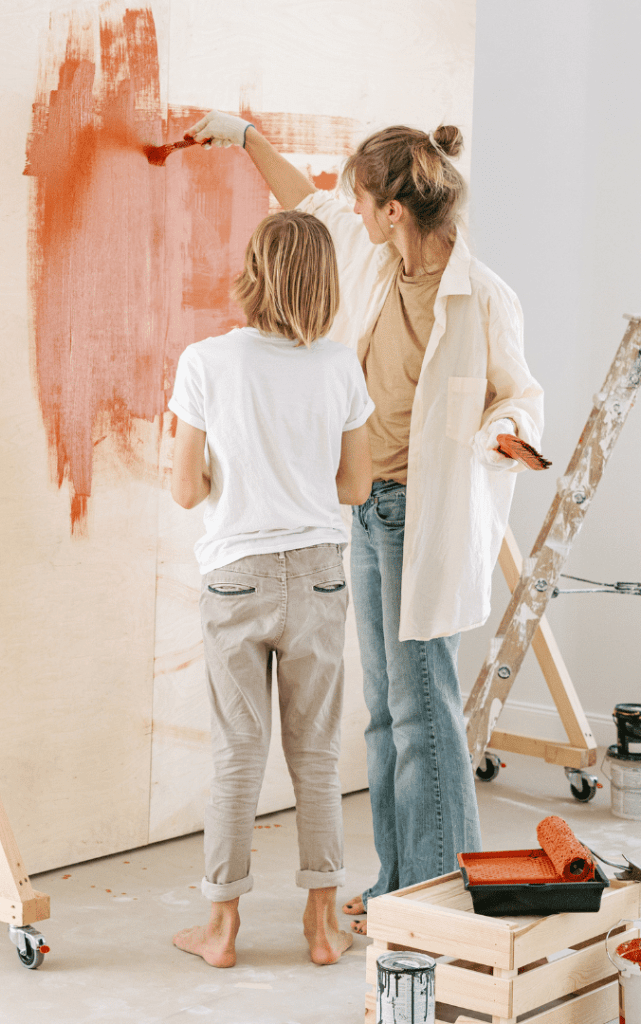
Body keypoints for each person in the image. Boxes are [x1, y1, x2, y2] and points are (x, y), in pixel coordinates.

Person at [186, 110, 544, 933]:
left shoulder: (482, 296)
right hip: (368, 510)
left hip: (428, 515)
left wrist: (506, 434)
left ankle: (438, 890)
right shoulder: (378, 256)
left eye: (361, 196)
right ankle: (398, 882)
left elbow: (519, 395)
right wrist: (244, 139)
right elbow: (306, 205)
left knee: (424, 703)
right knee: (385, 713)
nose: (349, 206)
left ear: (393, 209)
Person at [168, 209, 374, 967]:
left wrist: (234, 473)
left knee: (236, 754)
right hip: (318, 571)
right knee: (316, 757)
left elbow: (185, 488)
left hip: (236, 577)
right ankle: (323, 927)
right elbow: (354, 484)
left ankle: (220, 931)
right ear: (324, 281)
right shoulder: (339, 365)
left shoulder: (205, 361)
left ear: (253, 271)